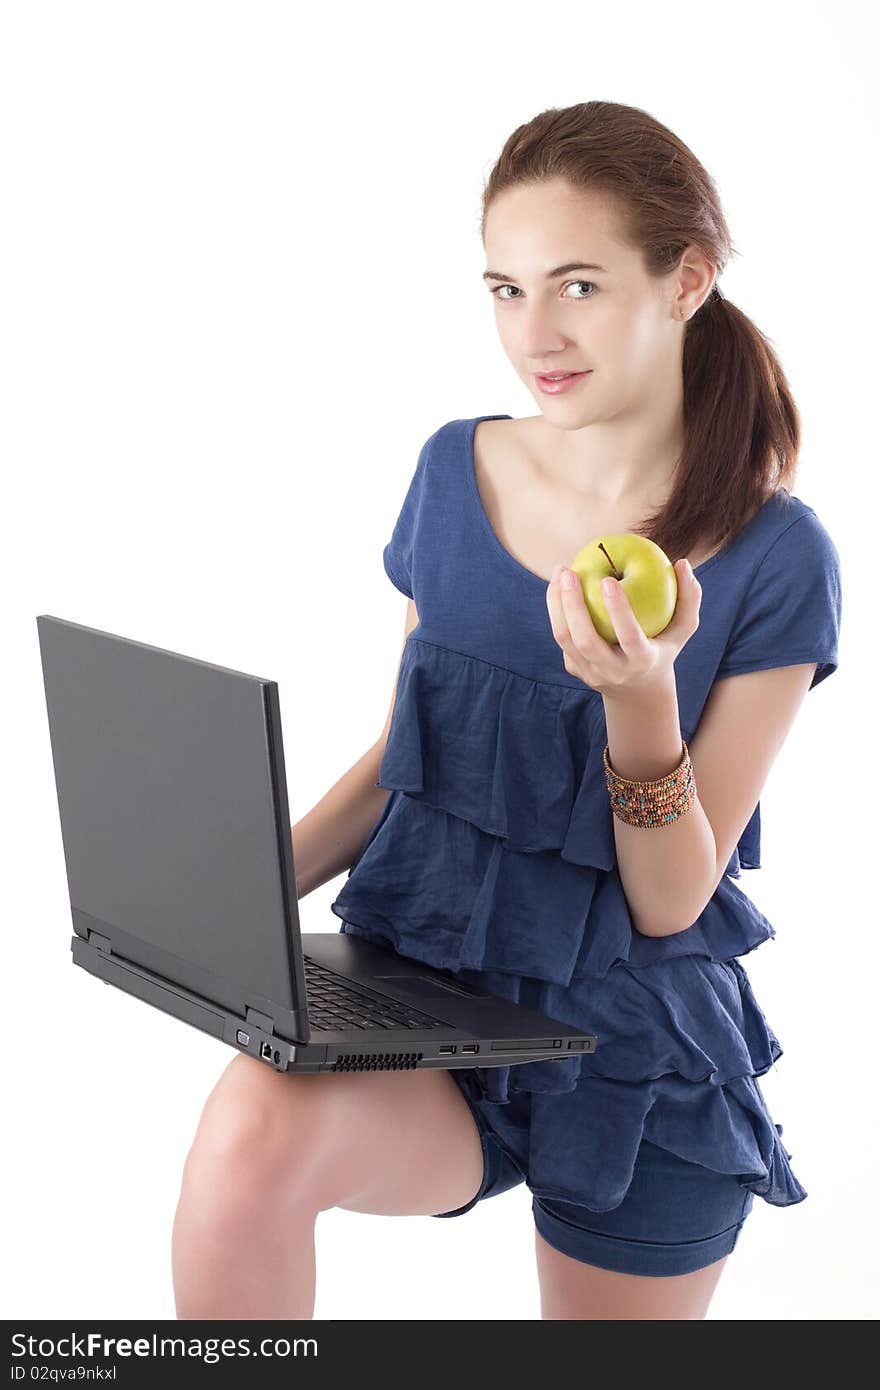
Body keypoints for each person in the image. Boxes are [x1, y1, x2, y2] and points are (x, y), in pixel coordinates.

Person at [171, 100, 842, 1320]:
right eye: (504, 288)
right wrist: (237, 890)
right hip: (434, 998)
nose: (534, 332)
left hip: (636, 1060)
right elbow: (405, 757)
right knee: (246, 1139)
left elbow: (670, 898)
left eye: (577, 285)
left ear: (684, 280)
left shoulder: (775, 553)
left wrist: (640, 702)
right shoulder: (451, 466)